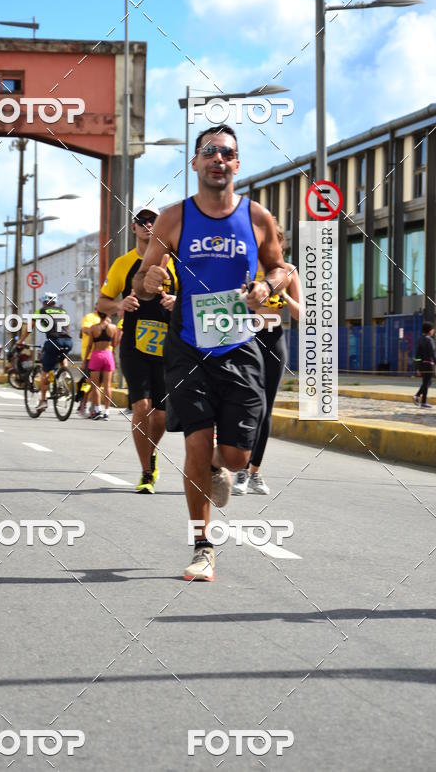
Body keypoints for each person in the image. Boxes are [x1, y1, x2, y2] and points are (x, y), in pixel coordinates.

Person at [133, 125, 286, 580]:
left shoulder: (258, 218)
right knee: (196, 442)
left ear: (237, 164)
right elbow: (145, 278)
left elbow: (281, 267)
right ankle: (202, 546)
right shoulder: (173, 218)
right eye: (209, 152)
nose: (218, 159)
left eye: (227, 153)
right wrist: (151, 281)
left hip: (240, 344)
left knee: (236, 457)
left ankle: (222, 465)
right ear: (195, 163)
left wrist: (266, 285)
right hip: (189, 345)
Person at [98, 204, 177, 494]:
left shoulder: (174, 261)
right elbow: (102, 303)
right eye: (141, 221)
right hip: (134, 344)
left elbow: (193, 297)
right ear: (133, 227)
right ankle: (146, 472)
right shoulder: (123, 263)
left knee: (162, 415)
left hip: (169, 348)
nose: (146, 225)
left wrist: (176, 301)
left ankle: (151, 454)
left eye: (152, 220)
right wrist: (119, 305)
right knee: (142, 407)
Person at [231, 218, 300, 496]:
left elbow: (301, 313)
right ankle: (238, 468)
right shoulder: (248, 269)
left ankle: (253, 472)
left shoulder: (289, 272)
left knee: (265, 407)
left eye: (275, 244)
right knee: (247, 402)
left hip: (275, 339)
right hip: (248, 339)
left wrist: (282, 297)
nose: (271, 250)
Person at [18, 292, 73, 416]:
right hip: (68, 341)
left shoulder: (41, 311)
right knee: (62, 353)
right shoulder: (63, 311)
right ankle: (64, 373)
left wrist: (20, 341)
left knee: (44, 371)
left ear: (43, 301)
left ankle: (43, 401)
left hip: (53, 341)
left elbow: (29, 328)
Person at [85, 311, 120, 420]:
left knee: (95, 386)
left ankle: (98, 410)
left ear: (98, 315)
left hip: (96, 356)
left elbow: (90, 345)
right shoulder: (113, 327)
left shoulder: (93, 328)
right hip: (108, 356)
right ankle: (107, 411)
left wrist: (84, 360)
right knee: (107, 386)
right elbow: (114, 344)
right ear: (108, 315)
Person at [76, 306, 101, 416]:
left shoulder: (107, 319)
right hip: (89, 355)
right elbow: (85, 330)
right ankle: (83, 403)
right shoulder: (89, 317)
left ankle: (93, 406)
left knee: (98, 384)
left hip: (102, 355)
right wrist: (99, 330)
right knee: (89, 381)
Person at [413, 321, 436, 408]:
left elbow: (417, 355)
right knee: (427, 382)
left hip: (422, 365)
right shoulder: (429, 340)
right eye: (433, 329)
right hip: (428, 364)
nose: (433, 331)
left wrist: (418, 367)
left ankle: (418, 396)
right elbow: (432, 354)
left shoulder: (420, 339)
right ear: (430, 330)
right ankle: (423, 401)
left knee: (427, 382)